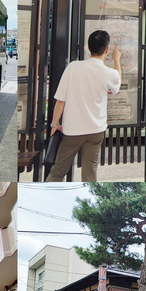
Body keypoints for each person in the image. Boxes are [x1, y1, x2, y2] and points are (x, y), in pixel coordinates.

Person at [45, 30, 122, 182]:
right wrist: (116, 59)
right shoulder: (109, 73)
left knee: (58, 171)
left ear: (88, 47)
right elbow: (117, 84)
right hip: (96, 130)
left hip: (72, 130)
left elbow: (61, 100)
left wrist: (55, 123)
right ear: (106, 49)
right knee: (90, 174)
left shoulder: (73, 67)